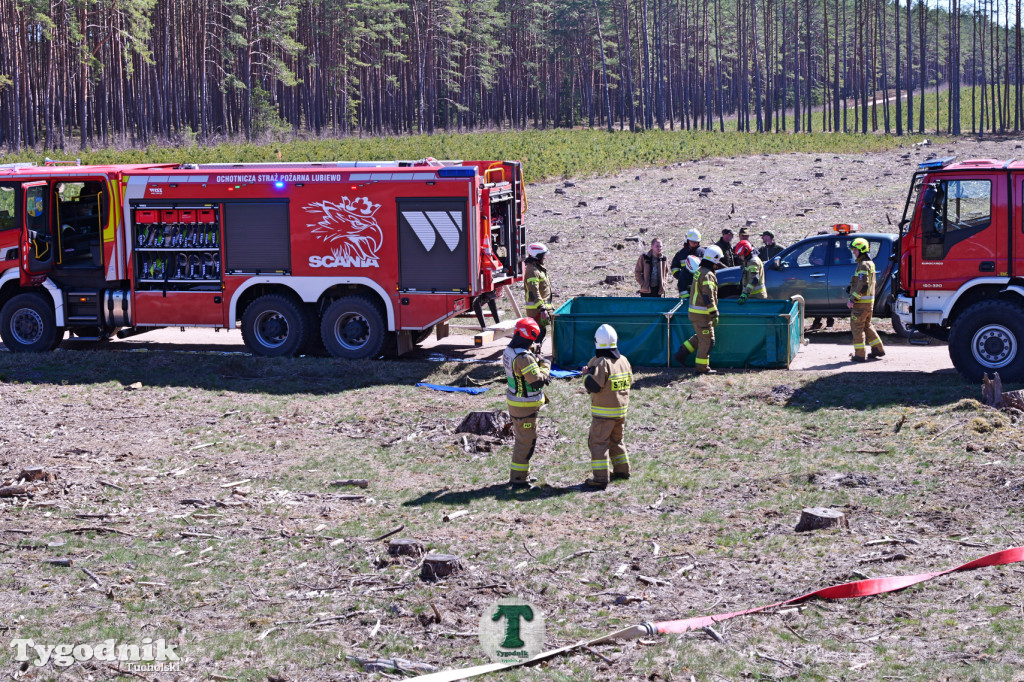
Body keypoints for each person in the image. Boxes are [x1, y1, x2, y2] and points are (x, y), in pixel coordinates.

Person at [582, 324, 633, 489]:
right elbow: (630, 381)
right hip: (621, 411)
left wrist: (586, 376)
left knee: (598, 443)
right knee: (616, 440)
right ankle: (622, 470)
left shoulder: (601, 362)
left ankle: (600, 478)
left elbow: (594, 386)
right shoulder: (623, 360)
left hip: (604, 414)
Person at [503, 318, 551, 487]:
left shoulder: (509, 351)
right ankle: (519, 480)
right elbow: (536, 381)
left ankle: (523, 475)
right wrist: (545, 365)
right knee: (526, 443)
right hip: (525, 406)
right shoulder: (524, 358)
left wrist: (533, 357)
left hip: (516, 403)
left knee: (524, 440)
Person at [674, 245, 722, 374]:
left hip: (696, 313)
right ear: (714, 260)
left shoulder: (700, 270)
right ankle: (702, 369)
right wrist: (714, 313)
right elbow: (707, 296)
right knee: (708, 340)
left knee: (701, 337)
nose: (719, 265)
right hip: (702, 314)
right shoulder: (708, 275)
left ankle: (681, 354)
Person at [848, 237, 885, 362]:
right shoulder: (870, 263)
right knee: (867, 326)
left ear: (862, 250)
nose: (854, 252)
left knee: (857, 328)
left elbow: (863, 285)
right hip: (868, 304)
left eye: (855, 250)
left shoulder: (863, 265)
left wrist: (852, 299)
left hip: (861, 304)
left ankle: (859, 355)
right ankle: (878, 349)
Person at [523, 242, 554, 343]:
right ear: (537, 256)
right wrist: (542, 309)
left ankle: (536, 352)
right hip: (537, 311)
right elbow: (534, 291)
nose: (545, 257)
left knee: (542, 331)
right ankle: (534, 353)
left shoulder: (538, 268)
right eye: (543, 255)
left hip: (541, 309)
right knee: (537, 333)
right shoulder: (532, 270)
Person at [670, 229, 704, 298]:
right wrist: (681, 277)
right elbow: (674, 268)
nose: (695, 243)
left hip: (700, 284)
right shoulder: (681, 254)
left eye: (697, 242)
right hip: (684, 286)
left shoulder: (702, 252)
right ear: (688, 241)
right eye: (693, 242)